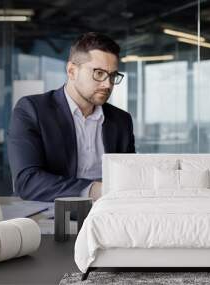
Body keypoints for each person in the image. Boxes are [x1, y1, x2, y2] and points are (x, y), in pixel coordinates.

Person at [8, 32, 135, 202]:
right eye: (98, 73)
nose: (107, 84)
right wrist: (95, 190)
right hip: (52, 213)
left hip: (109, 213)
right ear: (72, 71)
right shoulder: (32, 110)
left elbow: (129, 177)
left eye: (112, 76)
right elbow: (27, 181)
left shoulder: (121, 120)